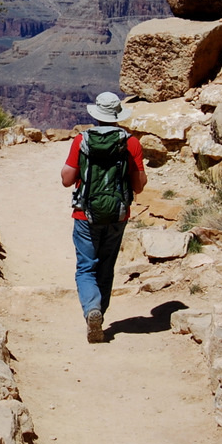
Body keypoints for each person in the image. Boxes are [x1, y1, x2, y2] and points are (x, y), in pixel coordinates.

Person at [61, 92, 147, 343]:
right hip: (117, 216)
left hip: (85, 214)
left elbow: (67, 179)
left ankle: (92, 309)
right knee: (106, 267)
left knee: (86, 267)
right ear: (118, 115)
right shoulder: (131, 143)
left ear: (96, 115)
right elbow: (139, 185)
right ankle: (100, 314)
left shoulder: (82, 140)